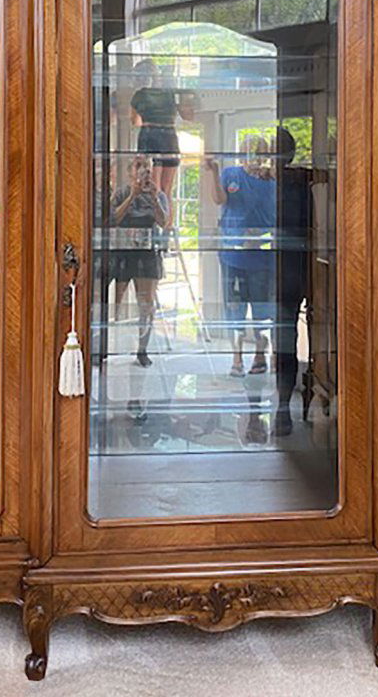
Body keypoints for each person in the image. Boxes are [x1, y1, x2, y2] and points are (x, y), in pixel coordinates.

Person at [205, 135, 276, 377]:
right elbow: (219, 199)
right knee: (234, 306)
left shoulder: (272, 180)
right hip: (232, 255)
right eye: (249, 152)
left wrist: (261, 236)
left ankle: (259, 354)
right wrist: (213, 171)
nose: (253, 158)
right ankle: (236, 358)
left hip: (262, 256)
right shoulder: (231, 174)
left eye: (259, 153)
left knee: (262, 308)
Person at [109, 155, 168, 369]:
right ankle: (101, 345)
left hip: (147, 253)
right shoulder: (121, 193)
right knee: (114, 301)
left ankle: (143, 349)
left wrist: (153, 198)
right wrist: (132, 195)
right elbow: (112, 219)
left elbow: (164, 222)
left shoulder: (158, 195)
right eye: (139, 167)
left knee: (147, 304)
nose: (145, 171)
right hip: (123, 252)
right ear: (130, 172)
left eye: (148, 168)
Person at [272, 126, 312, 436]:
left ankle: (284, 406)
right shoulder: (290, 183)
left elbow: (308, 229)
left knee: (284, 335)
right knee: (282, 335)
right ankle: (283, 405)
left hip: (289, 269)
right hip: (280, 267)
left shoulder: (295, 184)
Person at [130, 59, 195, 226]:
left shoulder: (140, 95)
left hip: (150, 136)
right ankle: (165, 229)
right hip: (168, 137)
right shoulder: (170, 92)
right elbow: (188, 115)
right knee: (166, 189)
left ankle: (158, 229)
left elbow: (134, 121)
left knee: (155, 188)